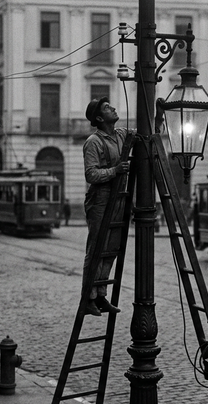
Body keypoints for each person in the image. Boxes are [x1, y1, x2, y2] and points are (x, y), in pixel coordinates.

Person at [81, 96, 131, 316]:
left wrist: (158, 115)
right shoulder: (94, 141)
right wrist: (115, 171)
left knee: (111, 249)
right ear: (100, 118)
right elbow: (90, 174)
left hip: (119, 199)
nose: (113, 107)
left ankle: (101, 296)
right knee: (96, 250)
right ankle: (88, 299)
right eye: (107, 107)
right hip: (100, 200)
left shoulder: (121, 135)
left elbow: (146, 134)